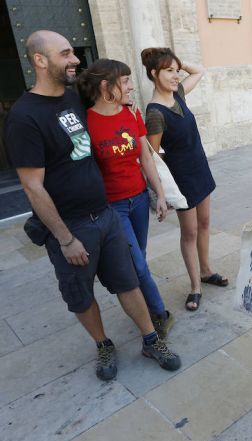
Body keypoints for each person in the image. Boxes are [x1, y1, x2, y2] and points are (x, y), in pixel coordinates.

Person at [5, 30, 181, 381]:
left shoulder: (73, 100)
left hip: (106, 213)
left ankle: (150, 339)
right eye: (66, 53)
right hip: (72, 226)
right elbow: (32, 185)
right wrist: (65, 238)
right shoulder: (24, 117)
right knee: (81, 294)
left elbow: (106, 119)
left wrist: (124, 107)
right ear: (40, 60)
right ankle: (103, 344)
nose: (75, 59)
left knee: (128, 280)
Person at [77, 58, 175, 338]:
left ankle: (142, 305)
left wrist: (158, 193)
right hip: (113, 206)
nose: (132, 87)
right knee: (138, 264)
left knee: (138, 259)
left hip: (139, 199)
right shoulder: (87, 122)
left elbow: (145, 155)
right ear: (106, 86)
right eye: (126, 82)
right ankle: (160, 313)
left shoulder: (131, 114)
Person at [142, 48, 228, 312]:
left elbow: (199, 70)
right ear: (154, 74)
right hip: (181, 180)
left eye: (176, 70)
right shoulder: (155, 112)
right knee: (189, 232)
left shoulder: (177, 95)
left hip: (199, 169)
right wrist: (161, 194)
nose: (176, 75)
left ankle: (206, 270)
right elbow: (153, 158)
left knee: (204, 223)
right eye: (168, 71)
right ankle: (195, 286)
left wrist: (173, 58)